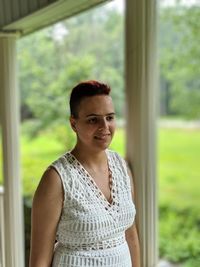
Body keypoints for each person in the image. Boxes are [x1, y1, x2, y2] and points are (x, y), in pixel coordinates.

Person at [29, 80, 141, 267]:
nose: (104, 127)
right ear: (74, 123)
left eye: (110, 117)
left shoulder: (122, 167)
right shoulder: (56, 179)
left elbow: (130, 235)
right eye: (92, 119)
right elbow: (39, 261)